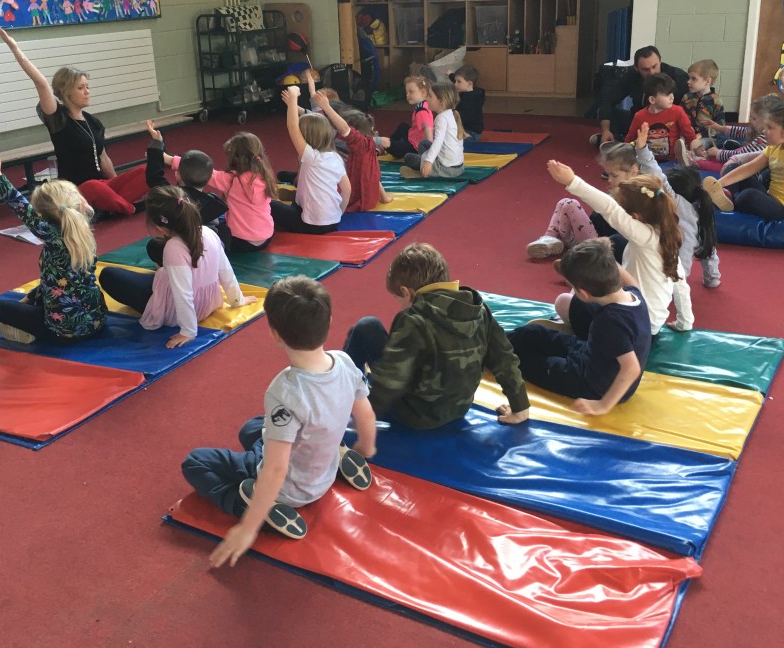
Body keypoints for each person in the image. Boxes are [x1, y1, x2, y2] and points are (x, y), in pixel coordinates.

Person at [181, 275, 378, 565]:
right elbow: (366, 414)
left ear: (275, 334)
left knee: (195, 462)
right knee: (252, 428)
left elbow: (275, 469)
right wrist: (366, 447)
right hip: (322, 476)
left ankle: (250, 505)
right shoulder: (345, 362)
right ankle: (334, 453)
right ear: (329, 320)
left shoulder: (284, 392)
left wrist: (248, 527)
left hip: (289, 491)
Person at [342, 242, 530, 429]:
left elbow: (391, 379)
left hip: (413, 415)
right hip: (458, 409)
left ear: (406, 292)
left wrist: (365, 415)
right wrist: (520, 405)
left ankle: (339, 392)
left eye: (398, 298)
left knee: (366, 327)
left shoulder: (414, 320)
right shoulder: (479, 310)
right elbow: (504, 358)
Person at [0, 22, 148, 215]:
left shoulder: (93, 122)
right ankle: (128, 208)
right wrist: (15, 48)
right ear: (66, 92)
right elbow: (41, 83)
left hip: (102, 185)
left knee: (147, 170)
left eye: (88, 87)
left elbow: (104, 158)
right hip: (76, 192)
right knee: (93, 187)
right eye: (81, 88)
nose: (87, 92)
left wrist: (116, 185)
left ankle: (112, 206)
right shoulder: (58, 119)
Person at [0, 145, 107, 343]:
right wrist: (31, 298)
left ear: (43, 217)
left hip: (63, 331)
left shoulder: (55, 239)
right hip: (97, 321)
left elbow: (22, 208)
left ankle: (32, 333)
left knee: (0, 308)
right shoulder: (83, 235)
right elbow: (60, 279)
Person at [508, 238, 651, 416]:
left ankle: (493, 353)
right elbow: (630, 280)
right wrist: (601, 255)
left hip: (592, 385)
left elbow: (631, 369)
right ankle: (493, 340)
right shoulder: (634, 294)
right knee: (533, 333)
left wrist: (602, 406)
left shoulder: (610, 322)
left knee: (527, 361)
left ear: (583, 294)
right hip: (589, 355)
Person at [99, 186, 255, 349]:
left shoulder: (174, 247)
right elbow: (225, 271)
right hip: (209, 303)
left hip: (178, 310)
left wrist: (188, 331)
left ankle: (181, 319)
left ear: (159, 226)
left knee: (109, 275)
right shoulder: (207, 231)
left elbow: (183, 293)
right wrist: (237, 300)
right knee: (156, 266)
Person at [547, 159, 687, 337]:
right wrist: (685, 322)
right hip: (650, 325)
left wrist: (572, 181)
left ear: (635, 216)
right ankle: (578, 279)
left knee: (562, 302)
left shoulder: (645, 238)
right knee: (614, 245)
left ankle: (572, 317)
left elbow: (610, 209)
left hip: (627, 325)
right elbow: (681, 286)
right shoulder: (668, 242)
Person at [703, 99, 784, 220]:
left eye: (770, 128)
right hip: (771, 199)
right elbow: (749, 168)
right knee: (734, 167)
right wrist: (719, 184)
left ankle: (730, 203)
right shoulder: (775, 146)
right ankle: (723, 195)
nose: (764, 131)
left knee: (749, 196)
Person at [634, 127, 720, 301]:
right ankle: (707, 279)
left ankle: (672, 288)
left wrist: (642, 149)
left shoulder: (675, 202)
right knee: (705, 249)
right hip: (687, 257)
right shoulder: (698, 212)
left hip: (676, 260)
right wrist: (712, 279)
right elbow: (709, 252)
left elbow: (656, 175)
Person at [525, 142, 638, 260]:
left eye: (614, 176)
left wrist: (610, 240)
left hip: (606, 246)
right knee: (565, 202)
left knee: (570, 205)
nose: (609, 180)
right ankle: (551, 237)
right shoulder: (618, 190)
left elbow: (629, 231)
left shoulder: (636, 198)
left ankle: (563, 243)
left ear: (633, 171)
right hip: (596, 238)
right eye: (608, 174)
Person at [143, 121, 228, 263]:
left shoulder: (170, 197)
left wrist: (157, 143)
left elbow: (154, 176)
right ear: (208, 180)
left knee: (154, 245)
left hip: (181, 252)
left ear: (177, 175)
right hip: (208, 251)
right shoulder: (212, 202)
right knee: (224, 230)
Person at [270, 86, 350, 234]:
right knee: (294, 189)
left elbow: (292, 127)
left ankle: (293, 212)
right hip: (334, 221)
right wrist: (339, 213)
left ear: (305, 137)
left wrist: (294, 96)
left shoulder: (311, 157)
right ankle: (296, 202)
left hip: (312, 226)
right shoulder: (336, 157)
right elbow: (347, 190)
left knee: (270, 205)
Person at [310, 88, 392, 211]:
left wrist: (326, 106)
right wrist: (385, 197)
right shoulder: (368, 143)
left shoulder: (358, 142)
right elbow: (375, 176)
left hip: (357, 199)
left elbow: (344, 128)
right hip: (369, 198)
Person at [594, 46, 690, 145]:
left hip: (667, 126)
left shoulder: (678, 77)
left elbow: (687, 109)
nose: (652, 73)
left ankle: (618, 140)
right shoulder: (631, 76)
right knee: (607, 113)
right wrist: (605, 130)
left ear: (660, 61)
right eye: (645, 69)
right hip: (639, 121)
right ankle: (611, 137)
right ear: (636, 68)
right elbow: (607, 99)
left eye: (654, 66)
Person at [203, 131, 278, 253]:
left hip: (243, 242)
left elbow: (201, 171)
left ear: (236, 158)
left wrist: (172, 160)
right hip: (266, 237)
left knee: (210, 231)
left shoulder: (232, 180)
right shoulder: (264, 174)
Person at [400, 80, 465, 179]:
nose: (426, 99)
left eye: (430, 96)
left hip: (446, 169)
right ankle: (424, 168)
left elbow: (438, 141)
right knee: (423, 143)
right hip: (458, 168)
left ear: (440, 101)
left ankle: (424, 172)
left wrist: (428, 162)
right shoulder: (451, 114)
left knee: (408, 157)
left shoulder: (441, 118)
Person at [624, 73, 696, 162]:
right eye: (667, 94)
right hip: (647, 161)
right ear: (652, 99)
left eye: (672, 93)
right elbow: (630, 138)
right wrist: (624, 157)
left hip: (673, 161)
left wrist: (695, 150)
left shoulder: (678, 111)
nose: (672, 97)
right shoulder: (639, 116)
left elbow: (689, 133)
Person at [383, 76, 434, 159]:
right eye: (407, 92)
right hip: (413, 137)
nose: (407, 95)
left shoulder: (421, 111)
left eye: (411, 92)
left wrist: (429, 152)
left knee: (386, 143)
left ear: (423, 93)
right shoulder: (424, 104)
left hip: (415, 147)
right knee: (403, 126)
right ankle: (394, 142)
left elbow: (427, 129)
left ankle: (388, 146)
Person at [679, 58, 725, 138]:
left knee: (703, 142)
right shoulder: (687, 97)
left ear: (707, 81)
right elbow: (680, 117)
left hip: (706, 137)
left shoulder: (716, 100)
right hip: (688, 133)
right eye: (689, 78)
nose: (688, 81)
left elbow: (720, 127)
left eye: (693, 79)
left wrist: (701, 135)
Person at [454, 64, 486, 142]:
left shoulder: (470, 100)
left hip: (470, 132)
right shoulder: (470, 91)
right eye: (455, 81)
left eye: (458, 82)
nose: (455, 84)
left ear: (469, 83)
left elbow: (462, 118)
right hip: (466, 129)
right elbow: (461, 80)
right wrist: (450, 75)